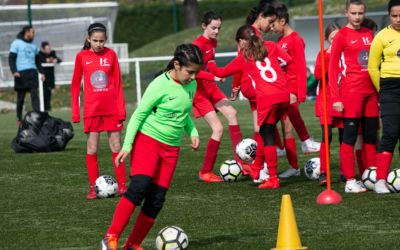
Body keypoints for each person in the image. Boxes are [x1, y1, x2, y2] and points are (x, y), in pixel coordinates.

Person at [101, 44, 202, 250]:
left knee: (156, 200)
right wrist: (127, 145)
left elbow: (182, 113)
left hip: (171, 150)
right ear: (176, 64)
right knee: (139, 187)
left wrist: (192, 131)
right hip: (148, 141)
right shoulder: (159, 84)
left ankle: (133, 244)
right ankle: (110, 237)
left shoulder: (192, 84)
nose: (192, 77)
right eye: (189, 72)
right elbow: (139, 115)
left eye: (195, 72)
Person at [208, 24, 293, 189]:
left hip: (268, 98)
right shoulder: (271, 46)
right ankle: (257, 167)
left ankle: (273, 178)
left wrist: (209, 62)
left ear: (241, 42)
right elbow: (288, 60)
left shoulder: (244, 56)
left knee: (267, 135)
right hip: (284, 95)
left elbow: (220, 72)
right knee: (263, 132)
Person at [70, 23, 127, 200]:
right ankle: (93, 188)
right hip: (92, 110)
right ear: (88, 39)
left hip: (111, 109)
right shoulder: (81, 57)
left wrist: (121, 111)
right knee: (92, 148)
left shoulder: (111, 54)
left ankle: (123, 186)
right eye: (95, 40)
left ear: (106, 40)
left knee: (116, 147)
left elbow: (117, 83)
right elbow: (74, 85)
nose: (98, 44)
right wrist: (75, 112)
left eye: (102, 41)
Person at [329, 0, 379, 193]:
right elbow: (332, 69)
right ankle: (350, 181)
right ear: (346, 13)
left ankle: (372, 176)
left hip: (371, 94)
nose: (357, 17)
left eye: (360, 13)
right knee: (349, 137)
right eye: (353, 13)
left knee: (370, 137)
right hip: (351, 93)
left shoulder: (369, 33)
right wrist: (336, 98)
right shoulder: (341, 36)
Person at [192, 11, 244, 182]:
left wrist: (219, 74)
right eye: (213, 28)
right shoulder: (196, 46)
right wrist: (214, 77)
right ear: (204, 26)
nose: (216, 31)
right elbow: (195, 72)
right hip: (199, 93)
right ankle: (205, 172)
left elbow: (210, 65)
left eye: (219, 28)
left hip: (211, 88)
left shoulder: (213, 42)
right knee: (218, 129)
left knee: (233, 114)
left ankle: (241, 161)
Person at [271, 3, 321, 179]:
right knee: (285, 128)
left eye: (274, 24)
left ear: (283, 21)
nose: (271, 27)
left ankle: (307, 141)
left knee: (288, 123)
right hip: (282, 88)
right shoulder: (280, 41)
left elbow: (301, 66)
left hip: (292, 87)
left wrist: (301, 92)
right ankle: (293, 166)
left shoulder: (295, 40)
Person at [368, 0, 400, 194]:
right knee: (390, 132)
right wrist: (383, 90)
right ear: (389, 15)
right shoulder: (381, 36)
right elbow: (372, 67)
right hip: (389, 88)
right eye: (394, 16)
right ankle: (380, 180)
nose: (398, 19)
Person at [313, 22, 343, 185]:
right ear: (327, 40)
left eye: (338, 37)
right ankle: (323, 172)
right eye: (332, 38)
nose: (335, 40)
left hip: (343, 100)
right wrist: (329, 54)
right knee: (327, 135)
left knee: (345, 137)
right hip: (326, 100)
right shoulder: (323, 54)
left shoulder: (345, 54)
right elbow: (318, 74)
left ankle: (346, 172)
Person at [8, 25, 45, 125]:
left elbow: (38, 60)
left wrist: (41, 72)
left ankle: (37, 117)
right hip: (20, 74)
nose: (34, 34)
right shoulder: (16, 43)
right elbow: (11, 58)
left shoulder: (33, 45)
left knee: (35, 96)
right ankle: (19, 118)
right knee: (20, 98)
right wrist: (14, 71)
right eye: (32, 32)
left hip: (32, 73)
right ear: (27, 32)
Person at [38, 41, 62, 111]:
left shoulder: (52, 53)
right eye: (47, 49)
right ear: (43, 49)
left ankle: (48, 108)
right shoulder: (40, 54)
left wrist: (55, 60)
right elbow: (39, 61)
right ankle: (43, 108)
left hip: (51, 77)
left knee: (49, 93)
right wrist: (47, 60)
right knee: (44, 93)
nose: (49, 50)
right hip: (43, 77)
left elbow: (59, 60)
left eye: (49, 48)